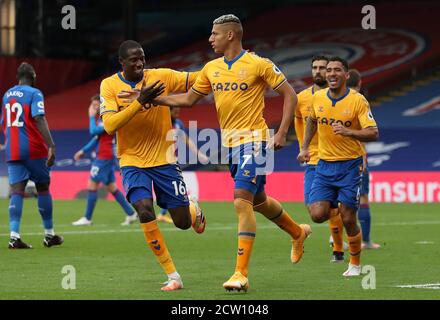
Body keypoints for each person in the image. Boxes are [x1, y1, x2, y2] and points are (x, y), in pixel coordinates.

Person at [154, 14, 311, 292]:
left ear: (230, 35)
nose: (210, 38)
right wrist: (154, 99)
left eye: (214, 34)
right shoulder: (211, 68)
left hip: (256, 141)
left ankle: (240, 274)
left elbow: (291, 95)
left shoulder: (258, 63)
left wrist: (281, 132)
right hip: (231, 144)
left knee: (241, 202)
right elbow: (189, 99)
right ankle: (297, 232)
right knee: (258, 200)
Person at [100, 40, 206, 291]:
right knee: (145, 211)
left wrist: (227, 66)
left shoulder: (162, 77)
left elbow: (200, 78)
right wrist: (140, 102)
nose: (139, 63)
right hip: (131, 161)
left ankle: (191, 209)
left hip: (164, 160)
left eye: (142, 58)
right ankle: (173, 276)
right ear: (122, 63)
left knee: (181, 222)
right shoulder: (109, 85)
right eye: (133, 60)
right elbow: (110, 125)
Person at [297, 57, 379, 276]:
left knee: (349, 218)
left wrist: (349, 131)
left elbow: (373, 132)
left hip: (350, 166)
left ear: (346, 74)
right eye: (329, 70)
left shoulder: (357, 101)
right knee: (316, 214)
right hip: (323, 165)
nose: (331, 74)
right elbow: (312, 121)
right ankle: (341, 205)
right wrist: (305, 147)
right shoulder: (318, 98)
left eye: (337, 70)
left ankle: (355, 264)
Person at [1, 62, 63, 249]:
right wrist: (51, 145)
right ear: (34, 77)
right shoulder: (35, 93)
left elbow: (4, 122)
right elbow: (39, 117)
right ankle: (49, 235)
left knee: (17, 191)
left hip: (13, 149)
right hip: (34, 148)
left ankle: (14, 236)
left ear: (18, 78)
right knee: (43, 188)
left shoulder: (7, 95)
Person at [294, 56, 346, 263]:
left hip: (335, 158)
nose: (318, 71)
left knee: (326, 209)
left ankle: (339, 250)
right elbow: (296, 123)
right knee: (315, 212)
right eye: (314, 67)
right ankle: (343, 210)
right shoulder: (301, 98)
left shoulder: (339, 98)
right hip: (312, 160)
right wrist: (302, 147)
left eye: (322, 68)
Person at [72, 95, 137, 226]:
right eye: (93, 106)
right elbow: (96, 138)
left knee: (92, 184)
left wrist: (90, 116)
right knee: (112, 188)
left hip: (104, 157)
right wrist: (83, 151)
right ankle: (131, 213)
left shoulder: (109, 118)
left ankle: (87, 218)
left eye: (96, 105)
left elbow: (93, 131)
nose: (94, 108)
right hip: (106, 157)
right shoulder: (104, 119)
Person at [346, 69, 380, 250]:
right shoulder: (360, 101)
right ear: (359, 84)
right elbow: (370, 131)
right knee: (363, 197)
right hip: (357, 158)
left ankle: (334, 237)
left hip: (331, 157)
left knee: (339, 199)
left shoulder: (335, 100)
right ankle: (365, 240)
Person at [157, 106, 208, 223]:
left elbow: (186, 139)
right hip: (156, 162)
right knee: (167, 189)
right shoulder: (159, 122)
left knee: (174, 188)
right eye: (174, 111)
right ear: (167, 111)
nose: (177, 113)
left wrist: (199, 154)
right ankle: (189, 203)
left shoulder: (178, 124)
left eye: (178, 111)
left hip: (171, 162)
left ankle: (187, 207)